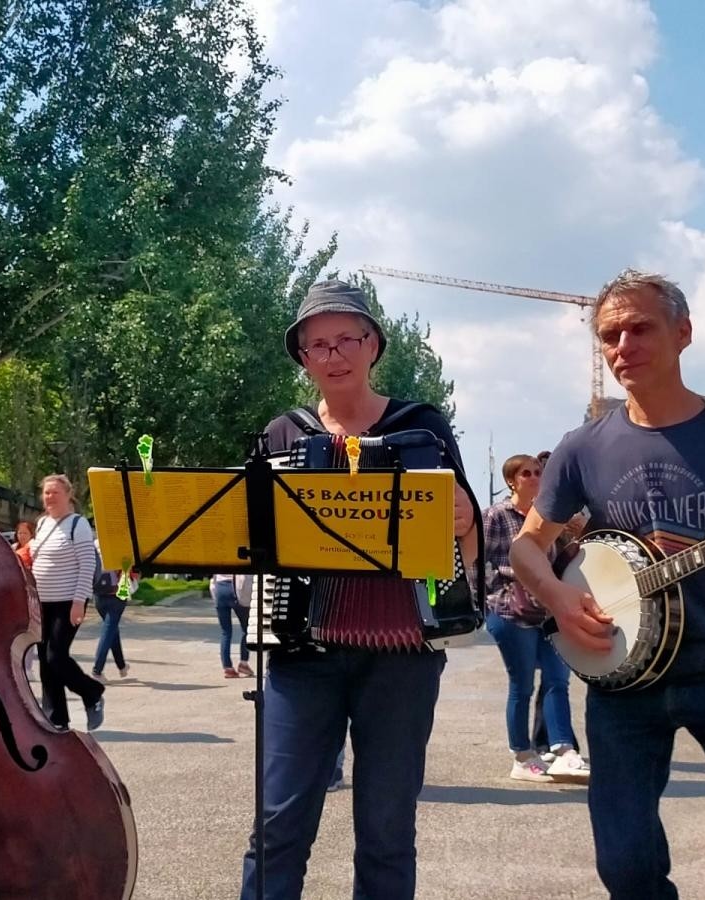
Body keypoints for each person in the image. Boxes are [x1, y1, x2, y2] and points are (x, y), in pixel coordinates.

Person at [510, 269, 705, 900]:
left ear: (683, 333)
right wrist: (559, 597)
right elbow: (528, 545)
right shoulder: (583, 446)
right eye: (610, 335)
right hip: (624, 681)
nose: (622, 346)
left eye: (641, 328)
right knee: (626, 865)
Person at [239, 279, 478, 899]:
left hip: (401, 655)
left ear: (374, 345)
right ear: (303, 358)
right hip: (301, 651)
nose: (334, 353)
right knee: (278, 823)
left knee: (386, 829)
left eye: (348, 337)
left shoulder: (421, 427)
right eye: (317, 344)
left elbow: (468, 548)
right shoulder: (283, 433)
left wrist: (464, 519)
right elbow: (253, 547)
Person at [484, 454, 588, 783]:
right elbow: (476, 558)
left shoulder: (547, 518)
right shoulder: (497, 515)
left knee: (558, 680)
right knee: (523, 685)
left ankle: (562, 750)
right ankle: (522, 755)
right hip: (510, 610)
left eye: (538, 472)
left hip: (548, 609)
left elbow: (562, 559)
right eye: (525, 473)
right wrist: (487, 597)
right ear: (511, 481)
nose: (533, 478)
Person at [28, 474, 105, 731]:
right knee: (45, 662)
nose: (49, 497)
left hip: (66, 602)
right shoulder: (41, 524)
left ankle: (91, 692)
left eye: (55, 493)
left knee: (56, 656)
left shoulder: (77, 524)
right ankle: (56, 717)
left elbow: (87, 565)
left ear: (68, 495)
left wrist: (79, 601)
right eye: (46, 492)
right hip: (41, 603)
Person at [91, 542, 138, 684]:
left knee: (111, 629)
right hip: (117, 594)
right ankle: (97, 670)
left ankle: (122, 666)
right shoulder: (123, 546)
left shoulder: (93, 545)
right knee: (108, 630)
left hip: (98, 594)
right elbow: (129, 569)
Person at [210, 573, 254, 678]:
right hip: (237, 588)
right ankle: (243, 663)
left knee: (225, 632)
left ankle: (227, 668)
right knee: (247, 629)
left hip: (219, 588)